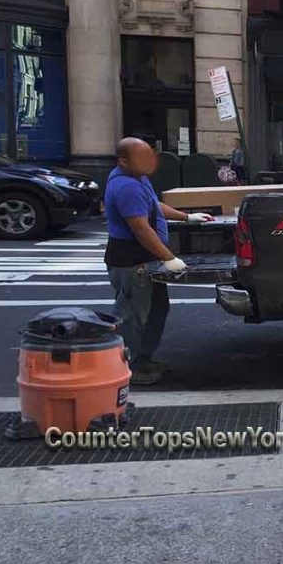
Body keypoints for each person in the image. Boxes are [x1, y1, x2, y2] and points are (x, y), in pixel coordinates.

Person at [104, 138, 213, 385]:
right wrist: (170, 257)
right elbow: (141, 229)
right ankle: (131, 366)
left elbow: (153, 205)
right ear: (123, 161)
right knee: (134, 315)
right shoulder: (126, 187)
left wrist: (187, 217)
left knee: (155, 309)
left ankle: (144, 358)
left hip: (145, 260)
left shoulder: (137, 178)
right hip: (133, 261)